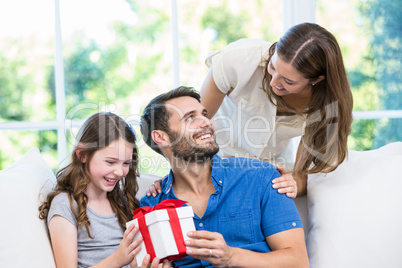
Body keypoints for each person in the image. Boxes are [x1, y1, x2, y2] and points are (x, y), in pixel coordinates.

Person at [139, 86, 309, 268]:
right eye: (190, 117)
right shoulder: (151, 206)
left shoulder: (262, 178)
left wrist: (232, 257)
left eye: (204, 114)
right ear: (161, 137)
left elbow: (298, 262)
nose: (206, 122)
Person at [199, 22, 353, 196]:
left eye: (288, 81)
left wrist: (293, 184)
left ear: (316, 80)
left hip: (271, 174)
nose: (273, 82)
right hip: (216, 163)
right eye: (272, 67)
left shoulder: (325, 106)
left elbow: (301, 178)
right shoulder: (238, 59)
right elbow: (190, 127)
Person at [39, 112, 170, 268]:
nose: (120, 172)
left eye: (126, 163)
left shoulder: (122, 201)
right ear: (82, 155)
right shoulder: (65, 205)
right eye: (110, 162)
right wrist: (118, 259)